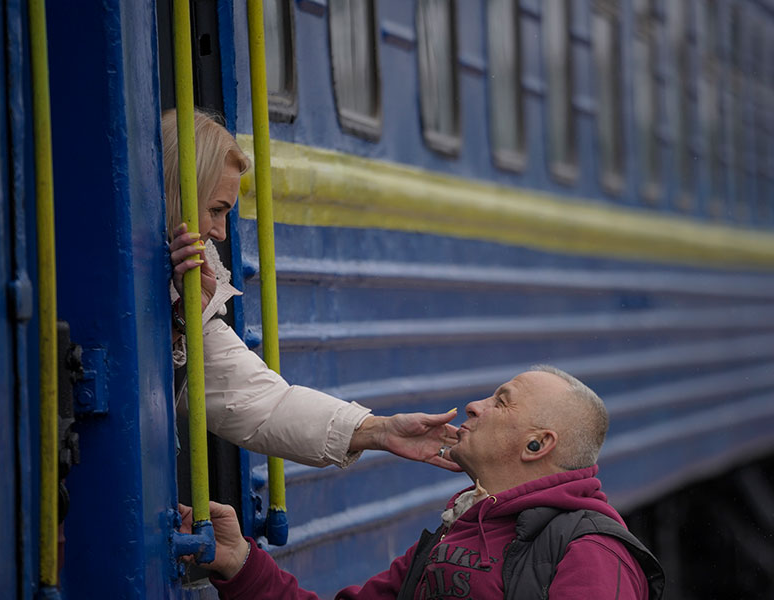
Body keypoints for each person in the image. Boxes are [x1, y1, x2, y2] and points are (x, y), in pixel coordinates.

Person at [180, 365, 666, 599]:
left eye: (501, 401)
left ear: (537, 445)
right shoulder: (454, 532)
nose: (475, 406)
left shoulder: (592, 554)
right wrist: (240, 562)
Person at [163, 108, 459, 470]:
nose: (221, 233)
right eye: (216, 209)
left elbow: (261, 403)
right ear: (175, 193)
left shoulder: (193, 282)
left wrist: (380, 431)